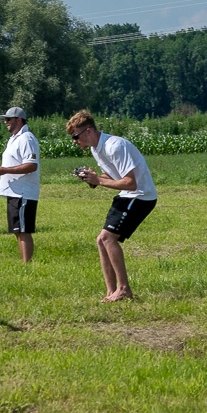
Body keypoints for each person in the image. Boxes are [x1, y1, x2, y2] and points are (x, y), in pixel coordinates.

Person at [68, 110, 157, 303]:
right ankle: (111, 292)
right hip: (127, 195)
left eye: (76, 136)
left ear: (88, 131)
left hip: (141, 195)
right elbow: (112, 177)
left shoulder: (115, 146)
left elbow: (130, 183)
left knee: (108, 238)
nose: (74, 141)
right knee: (101, 240)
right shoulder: (96, 149)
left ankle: (124, 289)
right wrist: (92, 179)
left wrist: (98, 180)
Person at [0, 107, 41, 264]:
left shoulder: (27, 139)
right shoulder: (14, 139)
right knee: (17, 230)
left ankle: (27, 263)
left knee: (23, 230)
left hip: (23, 192)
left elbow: (31, 165)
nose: (6, 123)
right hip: (14, 192)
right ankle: (25, 261)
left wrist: (5, 170)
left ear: (19, 120)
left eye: (8, 119)